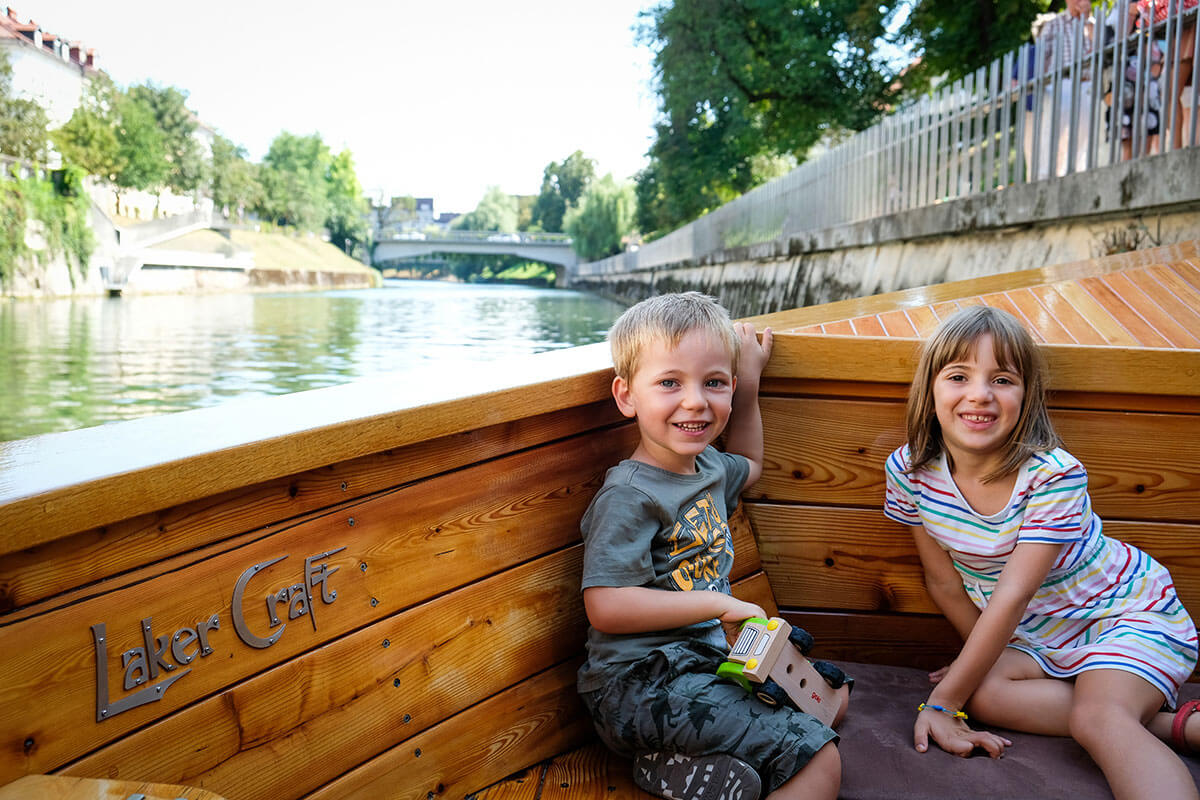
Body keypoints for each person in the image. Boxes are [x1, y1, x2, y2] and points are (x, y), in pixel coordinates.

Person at [884, 305, 1200, 800]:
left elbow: (1012, 594)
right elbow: (943, 582)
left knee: (1098, 716)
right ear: (930, 390)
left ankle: (1115, 716)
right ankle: (1174, 727)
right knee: (985, 694)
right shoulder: (910, 471)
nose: (980, 395)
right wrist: (979, 664)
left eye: (1002, 379)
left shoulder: (1052, 476)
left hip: (1123, 615)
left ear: (1026, 395)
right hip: (1037, 637)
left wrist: (943, 703)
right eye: (959, 375)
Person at [577, 292, 849, 800]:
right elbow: (606, 607)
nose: (696, 401)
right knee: (819, 761)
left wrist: (749, 383)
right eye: (669, 383)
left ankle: (675, 766)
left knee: (830, 699)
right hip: (638, 685)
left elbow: (749, 459)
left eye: (714, 382)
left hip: (702, 661)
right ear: (626, 395)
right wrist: (719, 603)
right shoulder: (629, 495)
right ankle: (673, 758)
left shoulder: (709, 469)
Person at [1025, 0, 1097, 179]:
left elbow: (1100, 49)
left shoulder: (1095, 24)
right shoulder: (1053, 25)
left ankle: (1078, 173)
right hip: (1061, 84)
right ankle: (1046, 175)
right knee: (1054, 134)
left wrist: (1088, 21)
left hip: (1087, 84)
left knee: (1084, 134)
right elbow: (1041, 58)